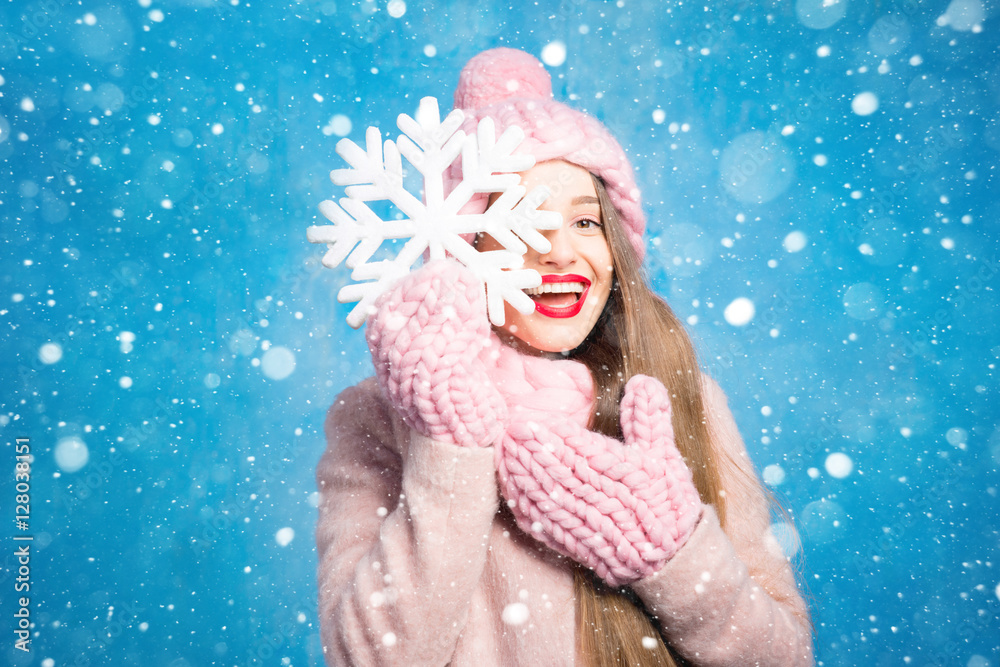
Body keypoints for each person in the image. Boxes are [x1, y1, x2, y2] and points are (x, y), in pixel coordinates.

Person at [315, 48, 814, 666]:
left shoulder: (679, 392)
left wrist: (673, 554)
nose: (559, 253)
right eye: (523, 221)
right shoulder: (377, 417)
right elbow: (371, 658)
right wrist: (450, 442)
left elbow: (782, 657)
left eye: (585, 222)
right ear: (463, 248)